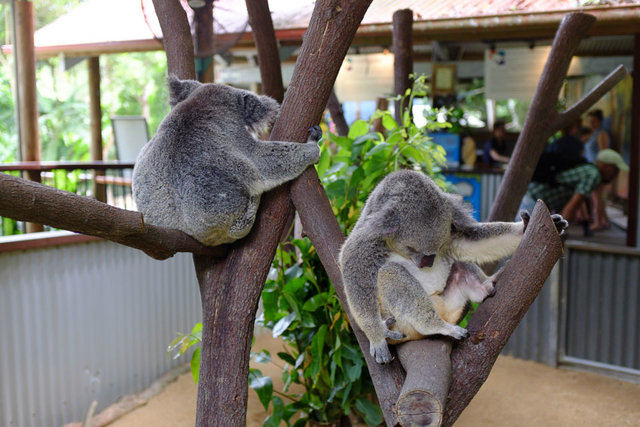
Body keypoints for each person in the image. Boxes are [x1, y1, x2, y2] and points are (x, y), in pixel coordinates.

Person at [524, 149, 628, 224]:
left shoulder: (588, 169)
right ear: (606, 165)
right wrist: (559, 233)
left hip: (532, 199)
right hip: (533, 203)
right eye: (615, 169)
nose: (616, 174)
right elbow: (574, 204)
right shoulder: (593, 175)